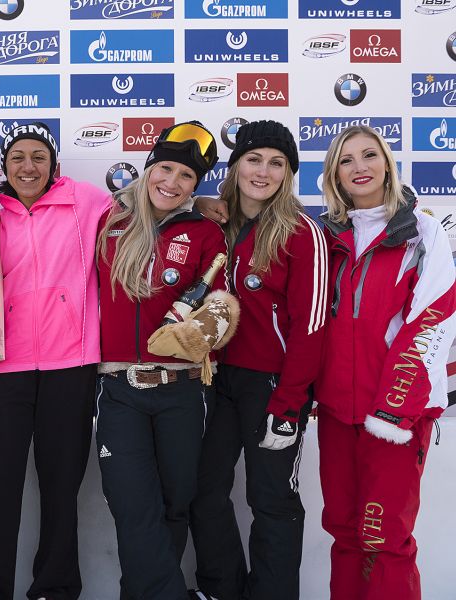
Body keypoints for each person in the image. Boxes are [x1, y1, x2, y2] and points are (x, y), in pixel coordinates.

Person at [95, 122, 238, 600]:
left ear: (197, 186)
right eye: (165, 168)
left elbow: (222, 309)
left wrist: (198, 334)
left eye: (186, 177)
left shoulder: (206, 233)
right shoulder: (110, 223)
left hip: (183, 391)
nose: (172, 182)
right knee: (133, 505)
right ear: (149, 168)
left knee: (175, 505)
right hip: (119, 389)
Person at [0, 122, 109, 600]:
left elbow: (150, 207)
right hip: (5, 367)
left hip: (71, 366)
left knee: (61, 486)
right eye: (18, 158)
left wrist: (208, 205)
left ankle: (56, 587)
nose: (28, 167)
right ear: (4, 166)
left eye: (38, 157)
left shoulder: (86, 201)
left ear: (54, 165)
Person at [188, 121, 328, 600]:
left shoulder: (302, 232)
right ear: (235, 165)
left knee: (271, 500)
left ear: (288, 173)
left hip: (273, 386)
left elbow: (311, 326)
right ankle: (221, 589)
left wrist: (290, 402)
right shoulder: (215, 223)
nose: (263, 171)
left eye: (276, 163)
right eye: (253, 159)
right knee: (205, 493)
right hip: (215, 380)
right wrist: (195, 204)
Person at [315, 125, 455, 600]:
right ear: (334, 172)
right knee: (343, 528)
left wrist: (395, 408)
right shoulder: (325, 237)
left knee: (385, 537)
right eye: (346, 159)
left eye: (369, 155)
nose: (359, 167)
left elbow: (434, 317)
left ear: (388, 164)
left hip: (396, 412)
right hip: (337, 410)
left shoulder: (422, 232)